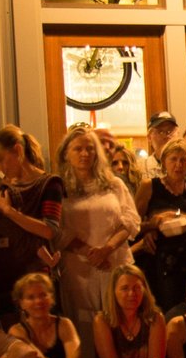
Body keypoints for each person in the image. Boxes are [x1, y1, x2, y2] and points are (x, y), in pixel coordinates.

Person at [54, 124, 140, 333]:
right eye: (78, 149)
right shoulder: (59, 188)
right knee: (85, 329)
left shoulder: (113, 184)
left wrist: (107, 249)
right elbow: (59, 229)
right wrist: (89, 253)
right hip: (80, 270)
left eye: (90, 148)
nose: (85, 154)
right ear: (67, 153)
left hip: (114, 262)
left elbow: (130, 220)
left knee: (120, 323)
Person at [0, 125, 62, 315]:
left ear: (18, 150)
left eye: (2, 160)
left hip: (35, 277)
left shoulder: (49, 184)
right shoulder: (3, 187)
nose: (0, 169)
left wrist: (10, 212)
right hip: (5, 277)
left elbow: (49, 230)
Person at [136, 137, 186, 312]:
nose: (178, 165)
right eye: (173, 159)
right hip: (164, 259)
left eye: (183, 160)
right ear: (164, 161)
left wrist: (175, 215)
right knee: (169, 309)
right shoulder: (150, 186)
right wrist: (152, 226)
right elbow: (134, 225)